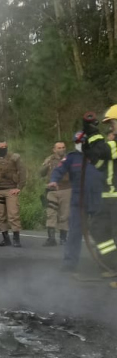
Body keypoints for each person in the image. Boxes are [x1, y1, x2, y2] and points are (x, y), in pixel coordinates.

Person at [47, 133, 104, 272]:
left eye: (82, 141)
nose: (79, 144)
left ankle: (106, 263)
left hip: (98, 198)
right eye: (77, 142)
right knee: (74, 232)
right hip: (78, 199)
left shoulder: (98, 155)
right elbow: (59, 169)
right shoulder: (71, 158)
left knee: (102, 232)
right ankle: (70, 263)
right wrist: (54, 180)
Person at [81, 107, 117, 281]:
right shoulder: (111, 143)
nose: (110, 127)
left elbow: (104, 151)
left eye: (112, 123)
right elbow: (99, 161)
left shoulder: (113, 144)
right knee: (98, 229)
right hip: (109, 197)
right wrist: (87, 145)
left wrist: (93, 134)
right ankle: (113, 265)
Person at [0, 141, 27, 247]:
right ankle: (5, 239)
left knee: (13, 215)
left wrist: (19, 187)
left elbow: (22, 172)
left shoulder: (15, 158)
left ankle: (16, 239)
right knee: (0, 216)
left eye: (5, 147)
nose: (3, 148)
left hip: (10, 190)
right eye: (1, 147)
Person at [40, 141, 69, 246]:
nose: (61, 149)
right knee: (51, 214)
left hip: (66, 189)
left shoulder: (69, 159)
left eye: (63, 147)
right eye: (59, 147)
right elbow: (41, 173)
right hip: (52, 190)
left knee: (64, 215)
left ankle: (63, 238)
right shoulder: (49, 159)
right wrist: (46, 166)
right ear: (54, 149)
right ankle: (51, 238)